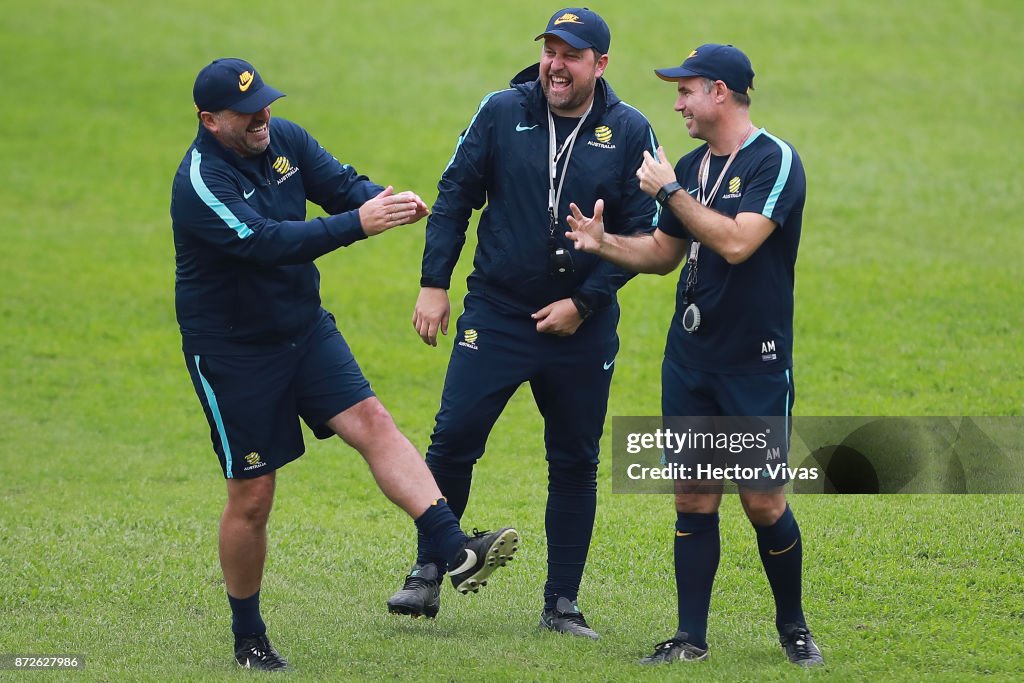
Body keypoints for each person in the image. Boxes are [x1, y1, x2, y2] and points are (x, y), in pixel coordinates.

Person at [171, 58, 520, 671]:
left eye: (268, 105)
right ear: (209, 120)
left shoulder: (285, 139)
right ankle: (248, 635)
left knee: (373, 420)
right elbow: (264, 243)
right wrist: (359, 224)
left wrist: (383, 200)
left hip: (303, 330)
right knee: (252, 496)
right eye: (249, 114)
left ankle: (452, 547)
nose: (264, 119)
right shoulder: (201, 180)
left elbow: (340, 183)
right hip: (233, 351)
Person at [384, 9, 660, 639]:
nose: (556, 65)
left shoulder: (628, 129)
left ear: (600, 64)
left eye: (571, 54)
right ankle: (429, 569)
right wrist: (434, 284)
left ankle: (561, 604)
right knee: (453, 438)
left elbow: (643, 235)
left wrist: (583, 304)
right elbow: (454, 195)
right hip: (498, 314)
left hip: (580, 329)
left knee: (574, 460)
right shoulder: (501, 111)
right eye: (550, 51)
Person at [564, 44, 823, 666]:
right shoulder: (688, 164)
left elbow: (737, 243)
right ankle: (690, 638)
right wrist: (604, 245)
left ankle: (794, 627)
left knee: (762, 502)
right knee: (693, 496)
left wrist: (672, 190)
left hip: (754, 363)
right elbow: (662, 253)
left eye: (686, 91)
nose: (677, 102)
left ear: (721, 93)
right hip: (691, 357)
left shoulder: (775, 161)